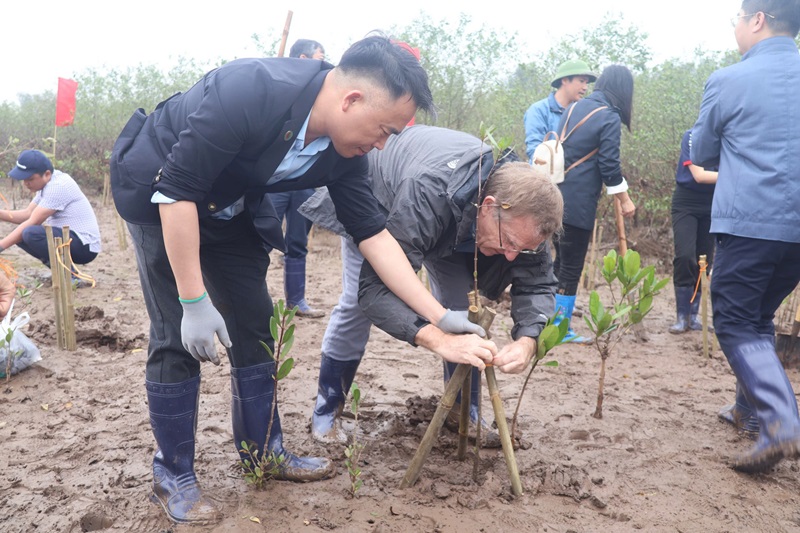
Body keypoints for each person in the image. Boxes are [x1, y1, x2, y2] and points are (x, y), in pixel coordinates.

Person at [109, 34, 491, 525]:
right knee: (174, 336)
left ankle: (264, 451)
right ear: (352, 100)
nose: (382, 144)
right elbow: (178, 192)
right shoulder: (250, 89)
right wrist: (193, 300)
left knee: (258, 323)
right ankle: (173, 477)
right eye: (384, 130)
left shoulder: (345, 152)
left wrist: (440, 315)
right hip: (162, 197)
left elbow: (373, 235)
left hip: (228, 210)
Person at [299, 125, 563, 445]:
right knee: (356, 306)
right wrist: (438, 336)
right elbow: (374, 291)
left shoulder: (527, 209)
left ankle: (464, 413)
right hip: (379, 204)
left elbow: (538, 284)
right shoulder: (430, 189)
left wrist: (528, 341)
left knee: (461, 309)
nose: (510, 257)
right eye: (508, 242)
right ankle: (327, 409)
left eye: (520, 248)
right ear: (490, 205)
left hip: (451, 226)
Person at [691, 0, 800, 474]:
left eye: (737, 18)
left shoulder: (730, 79)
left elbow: (704, 152)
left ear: (756, 19)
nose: (735, 28)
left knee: (733, 319)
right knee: (758, 316)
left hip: (752, 219)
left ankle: (781, 422)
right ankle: (750, 413)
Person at [552, 65, 637, 342]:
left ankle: (550, 322)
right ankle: (561, 329)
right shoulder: (608, 117)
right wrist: (624, 200)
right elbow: (609, 165)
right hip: (577, 203)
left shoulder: (573, 109)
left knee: (558, 262)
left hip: (552, 197)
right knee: (571, 265)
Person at [269, 39, 327, 318]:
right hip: (273, 181)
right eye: (319, 57)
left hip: (304, 182)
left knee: (297, 242)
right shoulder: (278, 85)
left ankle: (296, 301)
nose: (323, 63)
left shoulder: (321, 92)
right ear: (303, 57)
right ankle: (252, 299)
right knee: (261, 238)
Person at [1, 150, 102, 271]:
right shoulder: (48, 183)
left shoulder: (58, 187)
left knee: (29, 233)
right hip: (69, 240)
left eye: (30, 179)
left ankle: (69, 273)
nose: (26, 183)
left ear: (47, 174)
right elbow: (27, 214)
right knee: (19, 235)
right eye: (24, 179)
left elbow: (33, 221)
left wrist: (1, 246)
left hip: (84, 246)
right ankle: (59, 270)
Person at [669, 129, 717, 334]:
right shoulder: (692, 135)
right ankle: (682, 316)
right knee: (685, 256)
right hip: (686, 202)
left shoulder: (729, 139)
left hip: (713, 203)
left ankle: (694, 316)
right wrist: (735, 175)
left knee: (704, 261)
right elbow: (698, 175)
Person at [523, 59, 597, 163]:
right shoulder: (538, 111)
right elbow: (535, 151)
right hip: (544, 176)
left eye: (586, 83)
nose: (585, 87)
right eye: (581, 81)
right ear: (565, 80)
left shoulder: (583, 112)